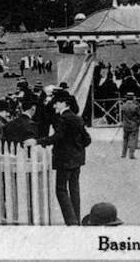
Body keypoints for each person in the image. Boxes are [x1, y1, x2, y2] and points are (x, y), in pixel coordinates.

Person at [24, 90, 92, 226]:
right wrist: (77, 148)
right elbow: (87, 139)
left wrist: (37, 141)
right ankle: (76, 219)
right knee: (74, 189)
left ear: (63, 103)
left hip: (64, 160)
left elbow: (57, 137)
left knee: (60, 189)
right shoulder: (77, 118)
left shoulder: (63, 119)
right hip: (77, 160)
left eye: (56, 103)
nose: (54, 106)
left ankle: (71, 222)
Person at [120, 93, 140, 159]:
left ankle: (123, 154)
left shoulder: (123, 106)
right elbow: (138, 115)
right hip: (133, 125)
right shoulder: (135, 106)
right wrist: (139, 122)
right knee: (133, 139)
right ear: (133, 98)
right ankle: (131, 154)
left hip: (126, 125)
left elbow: (122, 116)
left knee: (125, 140)